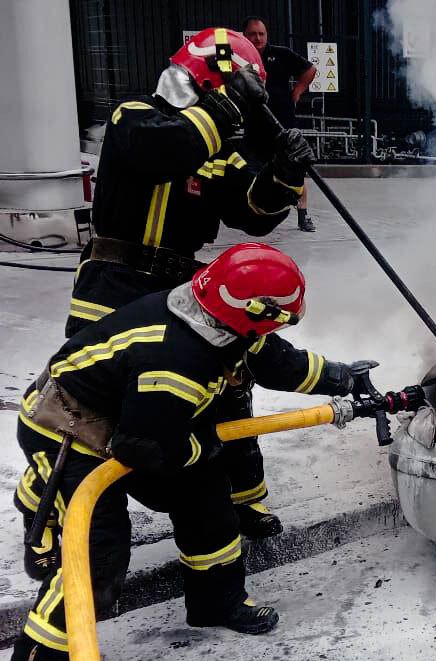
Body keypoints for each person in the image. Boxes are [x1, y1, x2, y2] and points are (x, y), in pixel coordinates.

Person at [7, 243, 368, 661]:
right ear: (251, 311)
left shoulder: (220, 315)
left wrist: (340, 377)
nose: (282, 325)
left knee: (207, 504)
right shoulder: (175, 362)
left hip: (140, 421)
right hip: (71, 432)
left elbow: (275, 360)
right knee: (97, 558)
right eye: (279, 317)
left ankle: (216, 602)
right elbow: (147, 450)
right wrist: (209, 443)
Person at [39, 28, 309, 582]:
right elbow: (169, 149)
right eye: (239, 88)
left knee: (219, 396)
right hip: (111, 287)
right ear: (212, 77)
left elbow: (251, 211)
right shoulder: (135, 118)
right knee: (94, 408)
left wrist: (284, 174)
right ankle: (61, 520)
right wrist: (229, 102)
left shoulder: (215, 150)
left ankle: (233, 508)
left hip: (180, 292)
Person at [243, 15, 318, 232]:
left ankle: (303, 215)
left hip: (283, 124)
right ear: (244, 36)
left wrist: (297, 92)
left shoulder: (281, 54)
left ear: (266, 35)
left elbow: (310, 70)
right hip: (255, 126)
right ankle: (255, 213)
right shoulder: (240, 58)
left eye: (261, 34)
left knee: (294, 167)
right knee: (253, 169)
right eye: (252, 34)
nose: (257, 38)